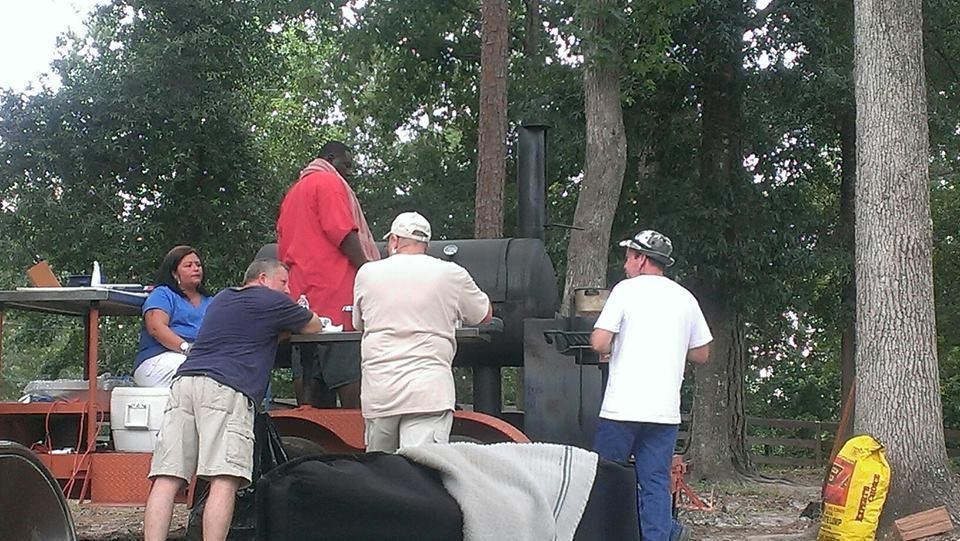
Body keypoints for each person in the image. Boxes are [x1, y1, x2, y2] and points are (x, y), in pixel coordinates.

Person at [143, 259, 322, 541]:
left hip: (185, 380)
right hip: (227, 387)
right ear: (263, 278)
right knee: (224, 478)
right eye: (283, 282)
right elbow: (314, 325)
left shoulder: (222, 298)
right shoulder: (271, 300)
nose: (287, 290)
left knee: (167, 477)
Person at [589, 230, 712, 541]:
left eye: (629, 257)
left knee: (605, 480)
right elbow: (702, 353)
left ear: (641, 259)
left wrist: (615, 345)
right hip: (663, 413)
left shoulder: (625, 291)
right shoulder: (685, 298)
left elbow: (599, 342)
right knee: (655, 483)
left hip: (621, 409)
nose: (625, 264)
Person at [353, 212, 492, 452]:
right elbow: (484, 315)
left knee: (379, 468)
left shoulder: (367, 273)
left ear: (394, 240)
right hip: (429, 391)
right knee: (421, 466)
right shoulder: (451, 273)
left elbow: (358, 323)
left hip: (381, 391)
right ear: (426, 243)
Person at [277, 141, 380, 409]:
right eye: (346, 164)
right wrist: (369, 270)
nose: (349, 172)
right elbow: (342, 232)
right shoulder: (328, 182)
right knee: (349, 378)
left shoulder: (293, 193)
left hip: (302, 298)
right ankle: (355, 433)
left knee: (309, 379)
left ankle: (314, 432)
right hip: (335, 294)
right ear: (331, 158)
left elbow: (283, 248)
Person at [133, 245, 213, 387]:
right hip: (157, 361)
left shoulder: (211, 301)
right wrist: (186, 348)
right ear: (174, 273)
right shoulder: (163, 294)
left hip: (200, 360)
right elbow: (156, 328)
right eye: (188, 265)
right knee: (194, 369)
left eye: (198, 265)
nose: (195, 268)